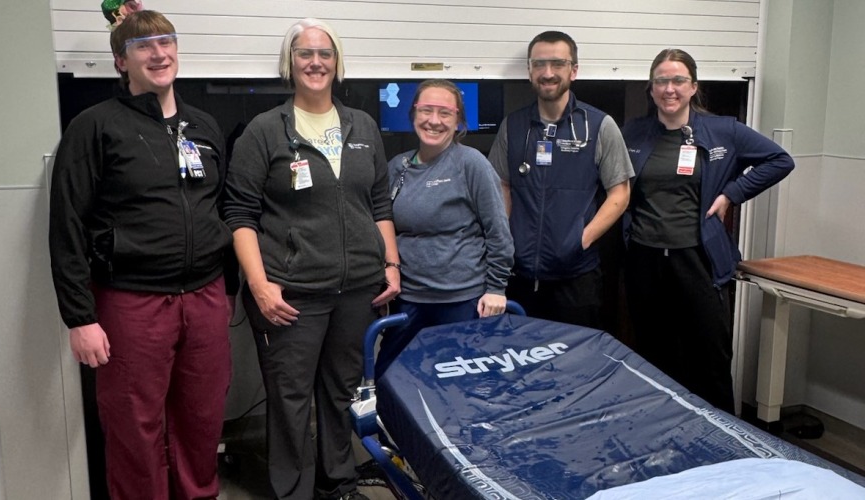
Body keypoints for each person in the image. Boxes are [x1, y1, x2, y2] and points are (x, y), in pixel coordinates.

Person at [48, 10, 234, 500]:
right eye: (144, 46)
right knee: (135, 428)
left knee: (201, 420)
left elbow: (221, 209)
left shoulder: (204, 126)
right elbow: (66, 225)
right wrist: (79, 317)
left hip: (205, 298)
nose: (159, 53)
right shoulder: (94, 128)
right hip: (131, 304)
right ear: (121, 62)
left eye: (167, 42)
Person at [223, 18, 400, 500]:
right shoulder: (265, 131)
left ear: (337, 63)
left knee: (341, 393)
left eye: (325, 53)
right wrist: (259, 285)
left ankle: (337, 482)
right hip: (291, 293)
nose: (315, 62)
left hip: (358, 290)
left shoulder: (361, 126)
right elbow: (239, 214)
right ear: (290, 63)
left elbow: (379, 203)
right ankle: (294, 492)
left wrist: (391, 264)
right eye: (305, 53)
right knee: (290, 399)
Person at [622, 48, 794, 413]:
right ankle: (662, 433)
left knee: (709, 356)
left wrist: (733, 193)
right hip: (645, 258)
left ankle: (726, 445)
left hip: (698, 259)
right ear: (651, 89)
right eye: (661, 81)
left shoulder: (723, 131)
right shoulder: (633, 133)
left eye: (678, 80)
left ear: (693, 86)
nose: (670, 89)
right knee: (653, 353)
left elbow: (780, 160)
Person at [488, 31, 634, 328]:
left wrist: (581, 239)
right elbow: (501, 186)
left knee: (576, 366)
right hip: (521, 277)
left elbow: (620, 193)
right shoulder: (513, 126)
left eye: (558, 63)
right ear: (530, 71)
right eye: (539, 64)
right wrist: (506, 241)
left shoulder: (599, 126)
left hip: (576, 279)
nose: (548, 73)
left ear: (574, 70)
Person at [374, 80, 514, 379]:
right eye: (426, 110)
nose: (433, 121)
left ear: (458, 121)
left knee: (460, 388)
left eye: (445, 113)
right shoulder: (397, 168)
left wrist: (496, 288)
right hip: (409, 299)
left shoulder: (471, 164)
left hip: (461, 301)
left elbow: (498, 231)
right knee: (393, 379)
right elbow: (381, 228)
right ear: (413, 114)